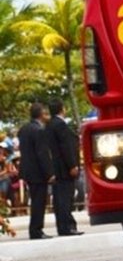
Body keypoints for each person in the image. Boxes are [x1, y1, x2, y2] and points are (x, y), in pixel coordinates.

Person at [46, 98, 83, 236]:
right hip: (64, 168)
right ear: (62, 109)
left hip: (57, 167)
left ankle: (63, 226)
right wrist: (72, 165)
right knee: (65, 198)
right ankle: (68, 226)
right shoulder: (60, 125)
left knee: (59, 198)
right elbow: (65, 147)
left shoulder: (49, 125)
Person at [18, 102, 55, 239]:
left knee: (35, 200)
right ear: (41, 114)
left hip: (27, 170)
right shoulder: (39, 130)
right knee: (39, 202)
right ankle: (36, 230)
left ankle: (35, 229)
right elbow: (42, 154)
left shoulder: (24, 129)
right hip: (38, 172)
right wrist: (49, 173)